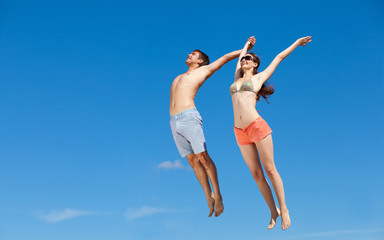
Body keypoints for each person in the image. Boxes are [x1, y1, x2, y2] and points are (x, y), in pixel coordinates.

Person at [229, 36, 312, 229]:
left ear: (256, 64)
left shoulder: (259, 77)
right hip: (239, 131)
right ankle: (273, 210)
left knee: (270, 169)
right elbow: (240, 56)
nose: (244, 60)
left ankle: (284, 209)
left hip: (256, 126)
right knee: (256, 174)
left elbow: (279, 57)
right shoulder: (236, 78)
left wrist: (296, 43)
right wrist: (246, 46)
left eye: (248, 58)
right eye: (243, 59)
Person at [170, 42, 254, 217]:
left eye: (193, 54)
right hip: (174, 121)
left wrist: (245, 48)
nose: (189, 54)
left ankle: (219, 194)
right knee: (193, 161)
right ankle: (208, 195)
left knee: (203, 157)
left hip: (189, 117)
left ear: (200, 61)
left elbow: (224, 59)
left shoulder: (203, 71)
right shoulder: (178, 76)